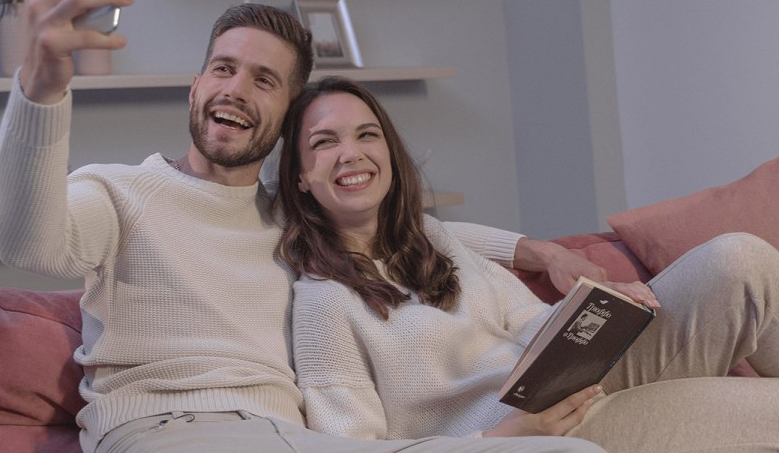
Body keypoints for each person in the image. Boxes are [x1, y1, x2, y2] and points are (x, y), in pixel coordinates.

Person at [0, 0, 608, 453]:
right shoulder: (119, 193)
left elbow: (411, 232)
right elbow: (29, 243)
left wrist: (540, 252)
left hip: (286, 436)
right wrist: (41, 88)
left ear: (287, 119)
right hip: (163, 428)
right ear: (196, 86)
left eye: (264, 81)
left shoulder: (295, 219)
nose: (235, 89)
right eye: (224, 69)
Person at [278, 76, 779, 452]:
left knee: (740, 256)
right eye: (325, 142)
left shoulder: (435, 239)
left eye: (367, 135)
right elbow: (351, 448)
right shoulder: (324, 302)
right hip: (540, 434)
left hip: (578, 378)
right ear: (299, 177)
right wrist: (497, 438)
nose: (352, 153)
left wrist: (599, 313)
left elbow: (530, 321)